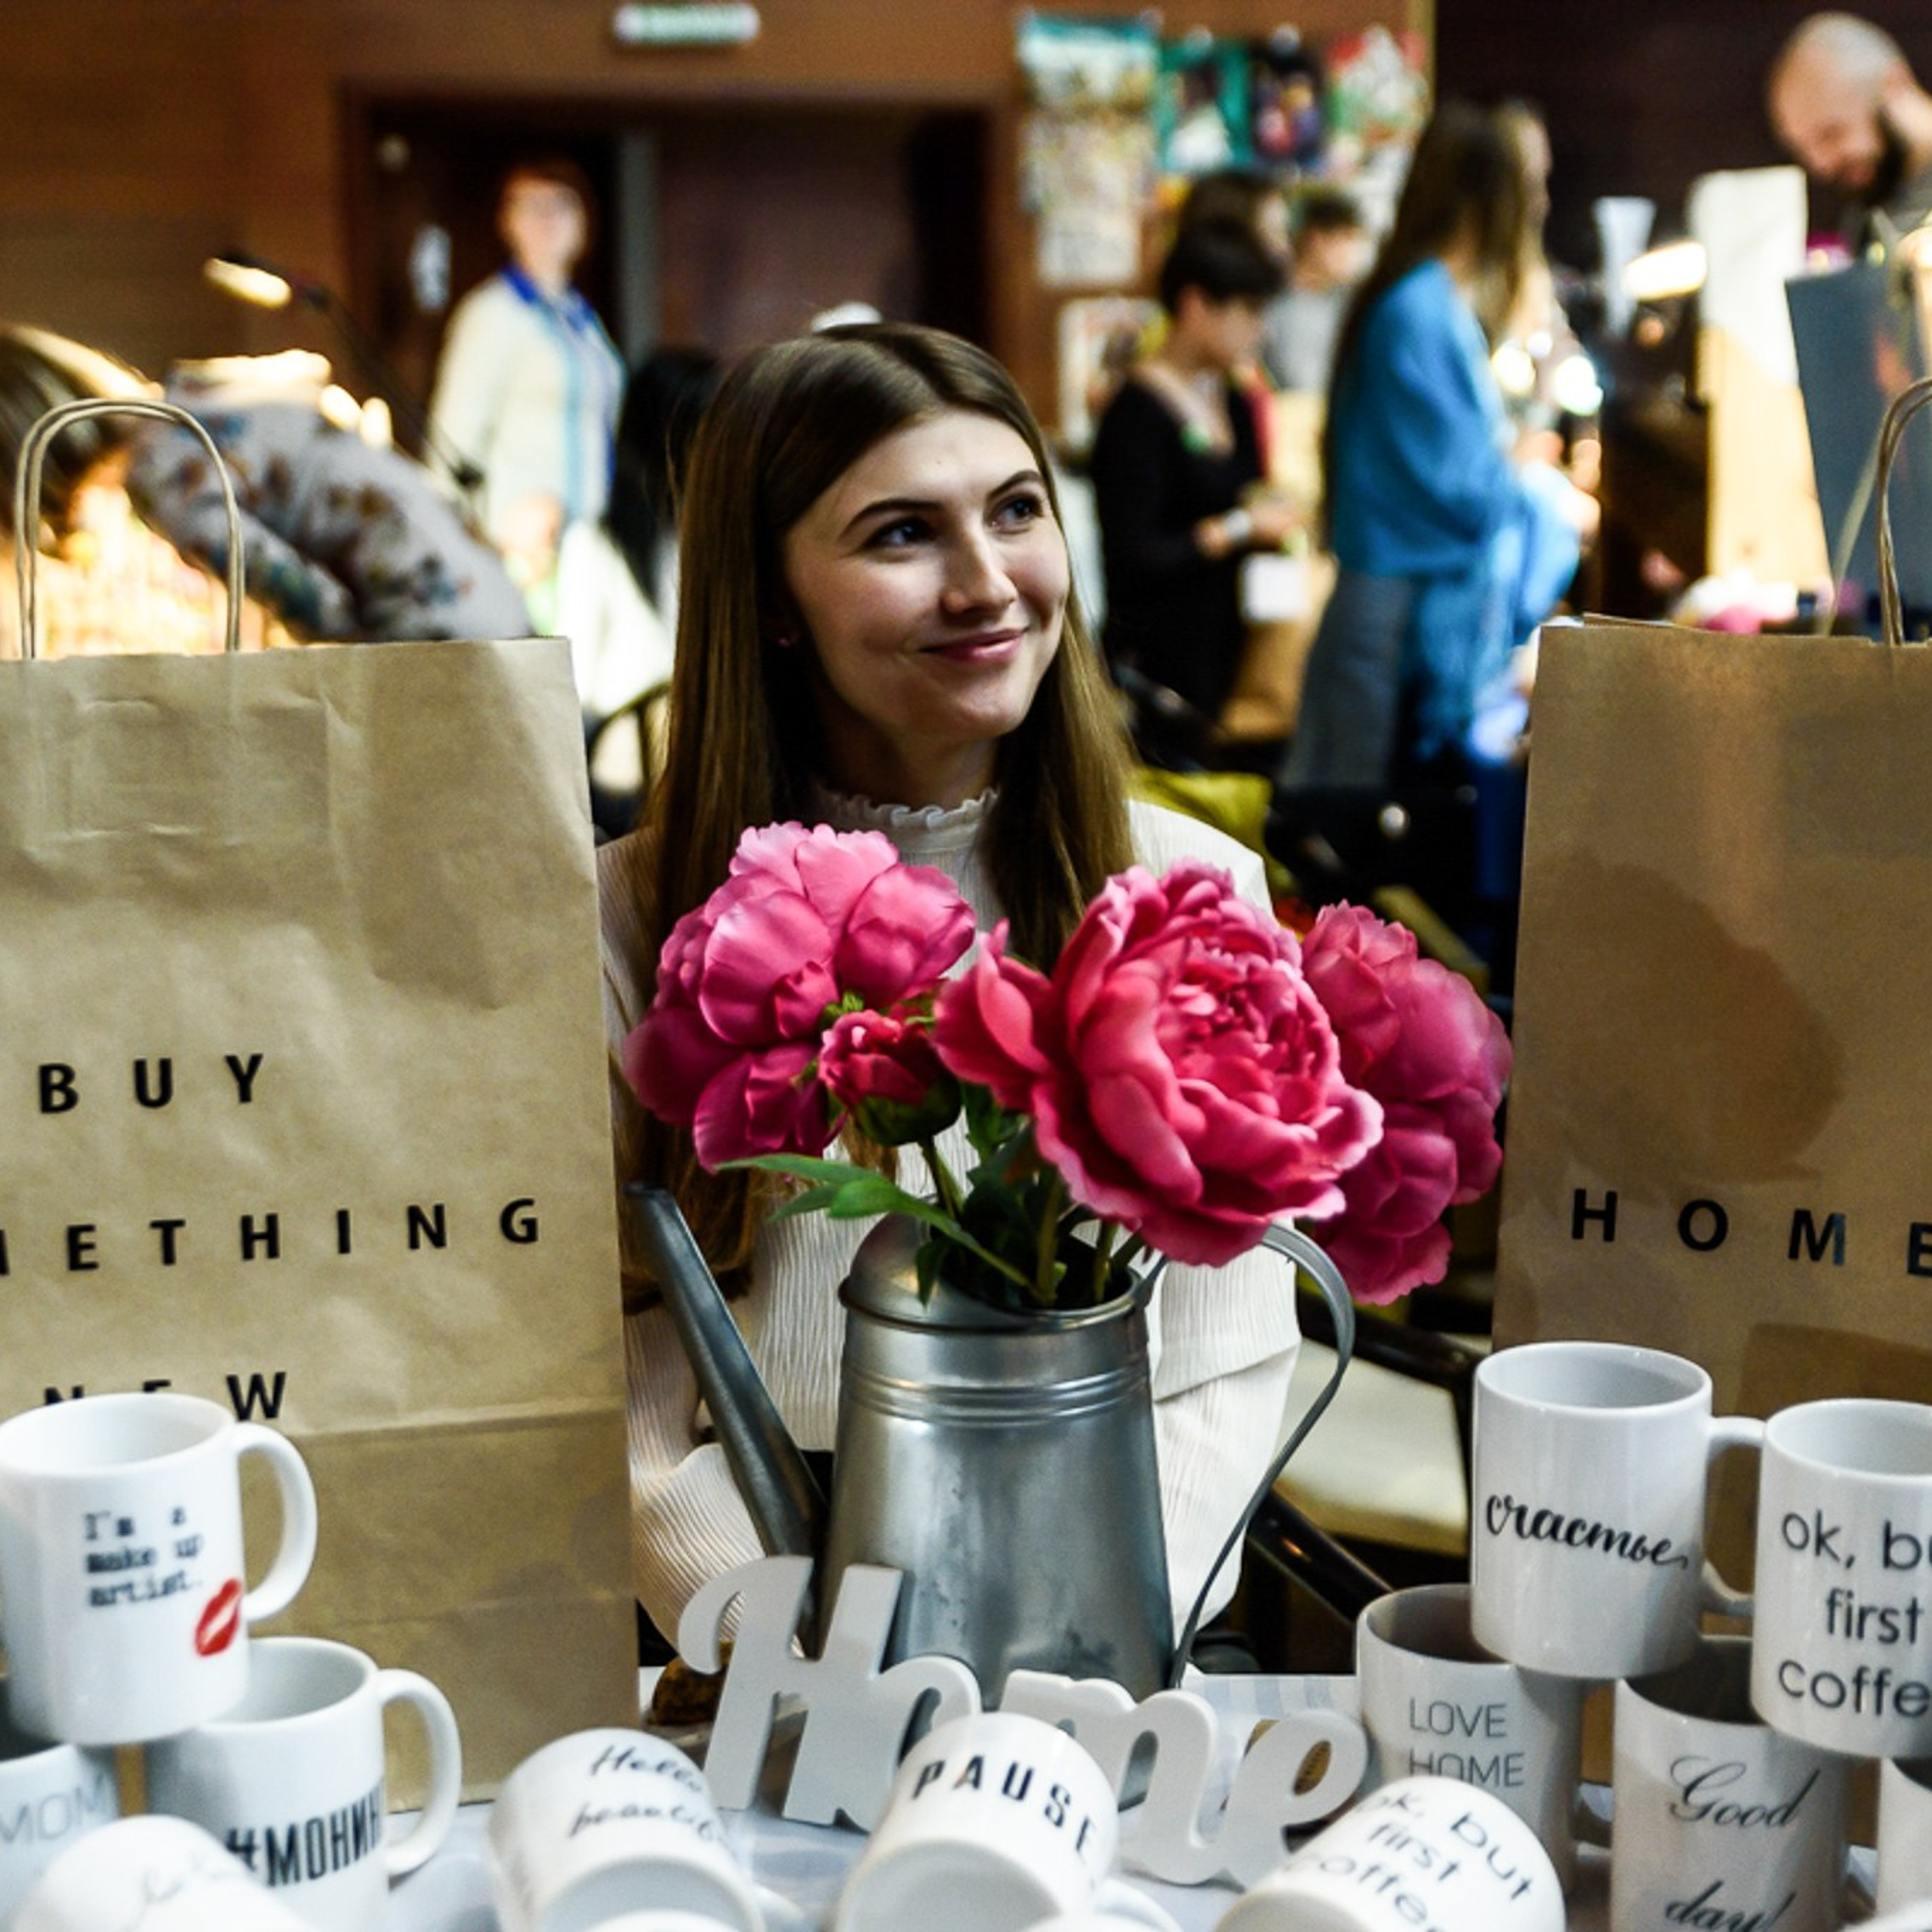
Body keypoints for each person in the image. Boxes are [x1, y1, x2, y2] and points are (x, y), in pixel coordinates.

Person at [598, 322, 1300, 1654]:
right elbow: (618, 1373)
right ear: (771, 600)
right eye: (902, 535)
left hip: (1099, 1603)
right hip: (748, 1631)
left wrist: (1085, 1617)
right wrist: (793, 1656)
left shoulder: (1189, 891)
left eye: (1018, 512)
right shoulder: (620, 919)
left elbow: (1226, 1363)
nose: (990, 584)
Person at [1282, 100, 1593, 791]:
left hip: (1391, 612)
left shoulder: (1415, 298)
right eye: (1530, 183)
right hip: (1395, 625)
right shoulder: (1420, 311)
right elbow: (1467, 491)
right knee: (1364, 846)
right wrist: (1536, 476)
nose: (1540, 202)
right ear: (1493, 197)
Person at [0, 325, 531, 642]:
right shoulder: (193, 402)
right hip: (490, 603)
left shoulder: (163, 478)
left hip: (435, 633)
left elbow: (318, 607)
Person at [1088, 220, 1297, 731]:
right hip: (1160, 653)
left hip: (1235, 636)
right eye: (1249, 311)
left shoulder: (1234, 396)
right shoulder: (1134, 412)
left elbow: (1251, 487)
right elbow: (1135, 554)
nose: (1260, 329)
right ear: (1196, 305)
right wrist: (1240, 528)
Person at [426, 156, 626, 583]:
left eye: (561, 203)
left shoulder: (582, 320)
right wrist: (466, 544)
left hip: (588, 542)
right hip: (518, 547)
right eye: (530, 204)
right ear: (507, 221)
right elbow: (452, 442)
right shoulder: (492, 313)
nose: (547, 217)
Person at [555, 346, 721, 822]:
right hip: (635, 756)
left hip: (670, 752)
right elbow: (574, 685)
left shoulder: (705, 535)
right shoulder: (599, 541)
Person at [1769, 14, 1932, 250]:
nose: (1821, 164)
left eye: (1831, 134)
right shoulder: (1865, 218)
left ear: (1894, 84)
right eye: (1803, 149)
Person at [1269, 186, 1371, 396]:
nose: (1353, 253)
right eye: (1346, 239)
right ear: (1316, 239)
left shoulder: (1350, 300)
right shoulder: (1269, 300)